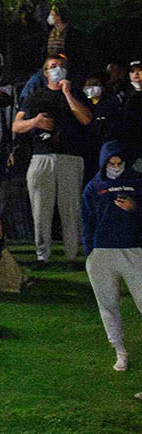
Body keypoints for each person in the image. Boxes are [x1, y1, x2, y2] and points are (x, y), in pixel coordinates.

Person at [15, 51, 93, 266]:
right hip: (41, 157)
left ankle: (72, 254)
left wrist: (68, 94)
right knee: (41, 209)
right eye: (52, 66)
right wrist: (35, 122)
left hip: (70, 157)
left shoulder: (76, 93)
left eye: (60, 66)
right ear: (45, 72)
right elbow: (16, 125)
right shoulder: (34, 96)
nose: (56, 69)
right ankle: (43, 255)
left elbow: (86, 119)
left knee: (70, 209)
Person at [81, 142, 139, 372]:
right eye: (111, 163)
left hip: (133, 249)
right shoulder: (93, 187)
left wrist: (134, 207)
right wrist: (90, 251)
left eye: (119, 163)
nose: (115, 167)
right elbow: (86, 220)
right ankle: (120, 351)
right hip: (102, 252)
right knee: (108, 304)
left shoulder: (137, 182)